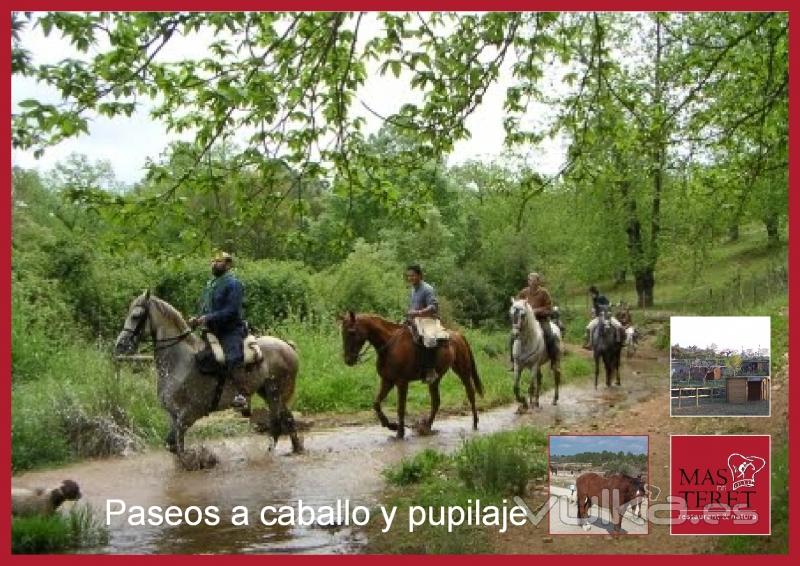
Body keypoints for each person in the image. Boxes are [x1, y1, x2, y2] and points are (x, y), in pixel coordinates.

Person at [188, 251, 249, 408]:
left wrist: (208, 318)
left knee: (232, 358)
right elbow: (206, 308)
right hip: (211, 330)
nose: (214, 264)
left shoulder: (234, 284)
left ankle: (242, 395)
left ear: (228, 265)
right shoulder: (211, 284)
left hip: (230, 330)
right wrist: (197, 318)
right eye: (213, 261)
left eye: (219, 261)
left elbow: (232, 310)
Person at [509, 272, 558, 367]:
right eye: (529, 280)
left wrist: (536, 311)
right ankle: (513, 361)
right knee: (512, 336)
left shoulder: (544, 293)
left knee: (550, 336)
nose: (530, 282)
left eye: (533, 280)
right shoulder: (524, 292)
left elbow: (549, 308)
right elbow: (517, 304)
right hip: (526, 321)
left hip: (541, 320)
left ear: (538, 282)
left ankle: (554, 360)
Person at [406, 264, 443, 384]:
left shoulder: (427, 289)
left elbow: (433, 307)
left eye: (413, 275)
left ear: (420, 275)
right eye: (408, 276)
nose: (410, 278)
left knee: (430, 339)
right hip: (415, 320)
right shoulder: (412, 289)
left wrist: (418, 312)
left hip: (428, 320)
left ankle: (431, 370)